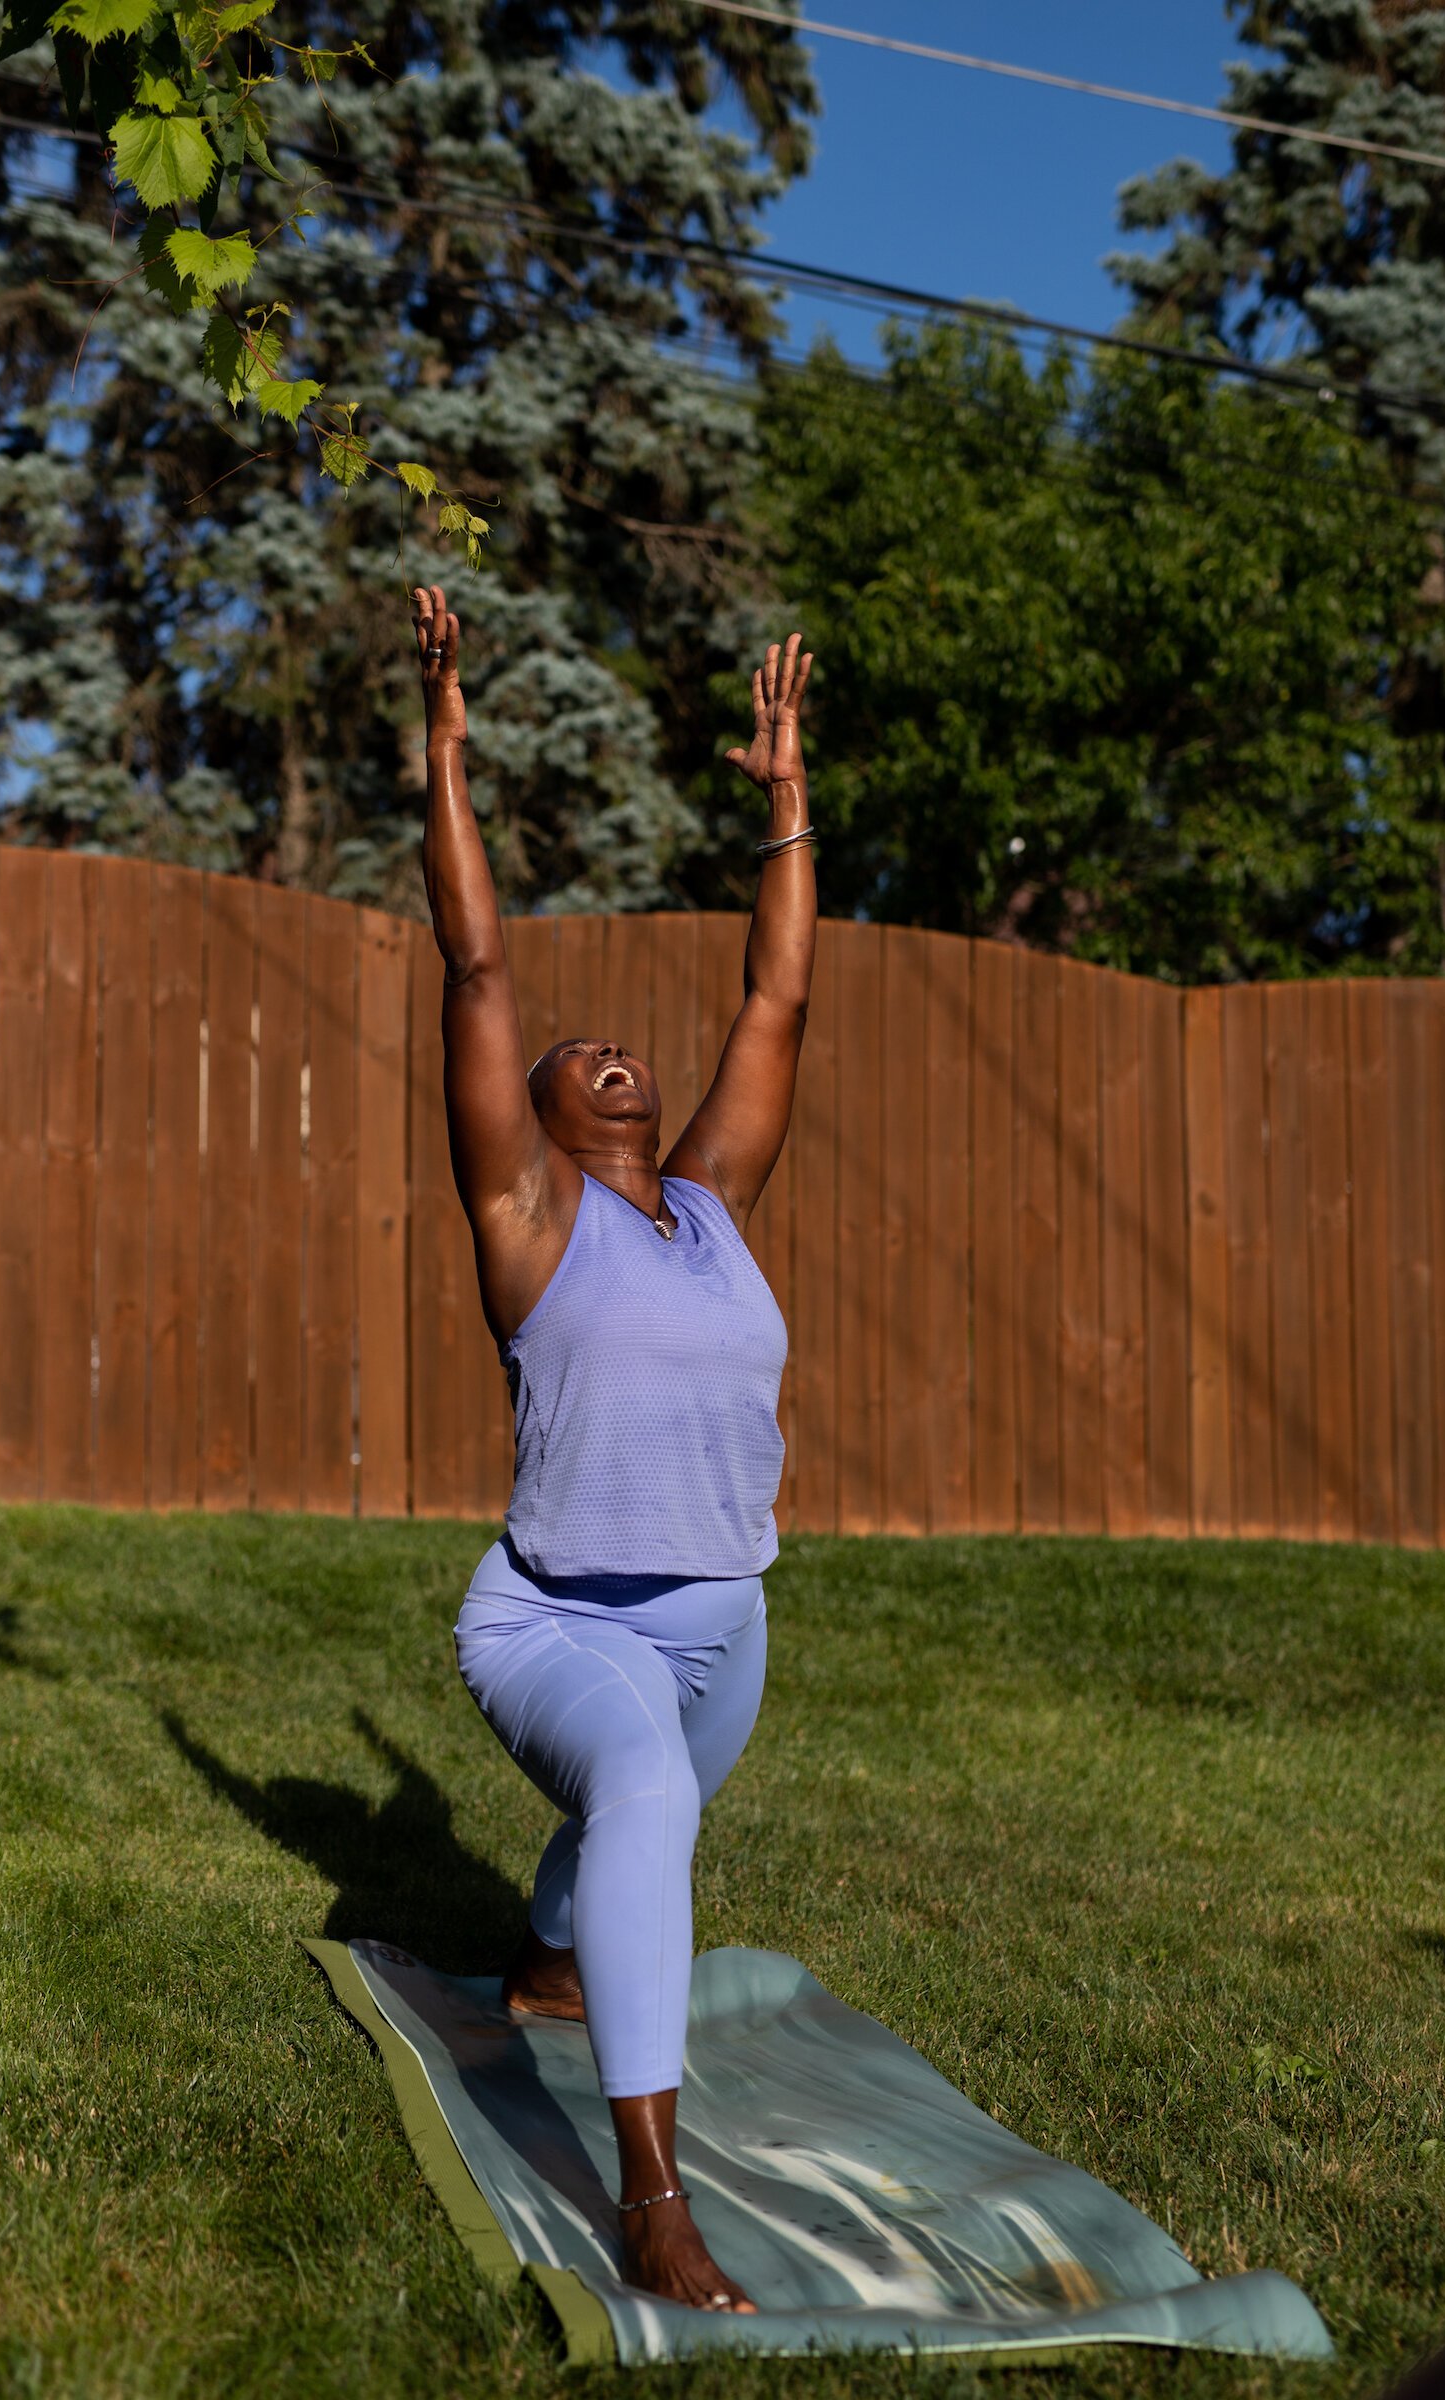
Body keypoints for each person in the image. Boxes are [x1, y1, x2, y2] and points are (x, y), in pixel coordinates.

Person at [411, 582, 816, 2314]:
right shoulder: (527, 1218)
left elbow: (777, 1004)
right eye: (578, 1057)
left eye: (620, 1047)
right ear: (548, 1115)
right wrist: (445, 746)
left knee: (659, 1798)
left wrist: (787, 804)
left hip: (729, 1617)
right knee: (643, 1786)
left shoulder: (714, 1207)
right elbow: (481, 960)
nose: (608, 1048)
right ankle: (651, 2197)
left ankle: (554, 1957)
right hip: (560, 1618)